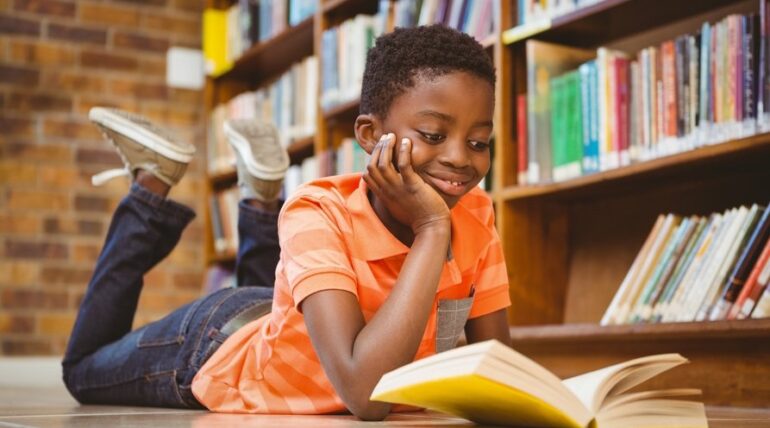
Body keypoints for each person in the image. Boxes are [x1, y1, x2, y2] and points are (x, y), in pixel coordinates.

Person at [62, 24, 512, 421]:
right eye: (433, 135)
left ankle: (258, 200)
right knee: (82, 370)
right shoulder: (317, 212)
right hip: (216, 345)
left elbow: (496, 376)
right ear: (370, 135)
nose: (460, 158)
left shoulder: (476, 213)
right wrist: (431, 229)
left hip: (297, 318)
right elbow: (367, 396)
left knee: (285, 320)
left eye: (479, 141)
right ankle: (150, 187)